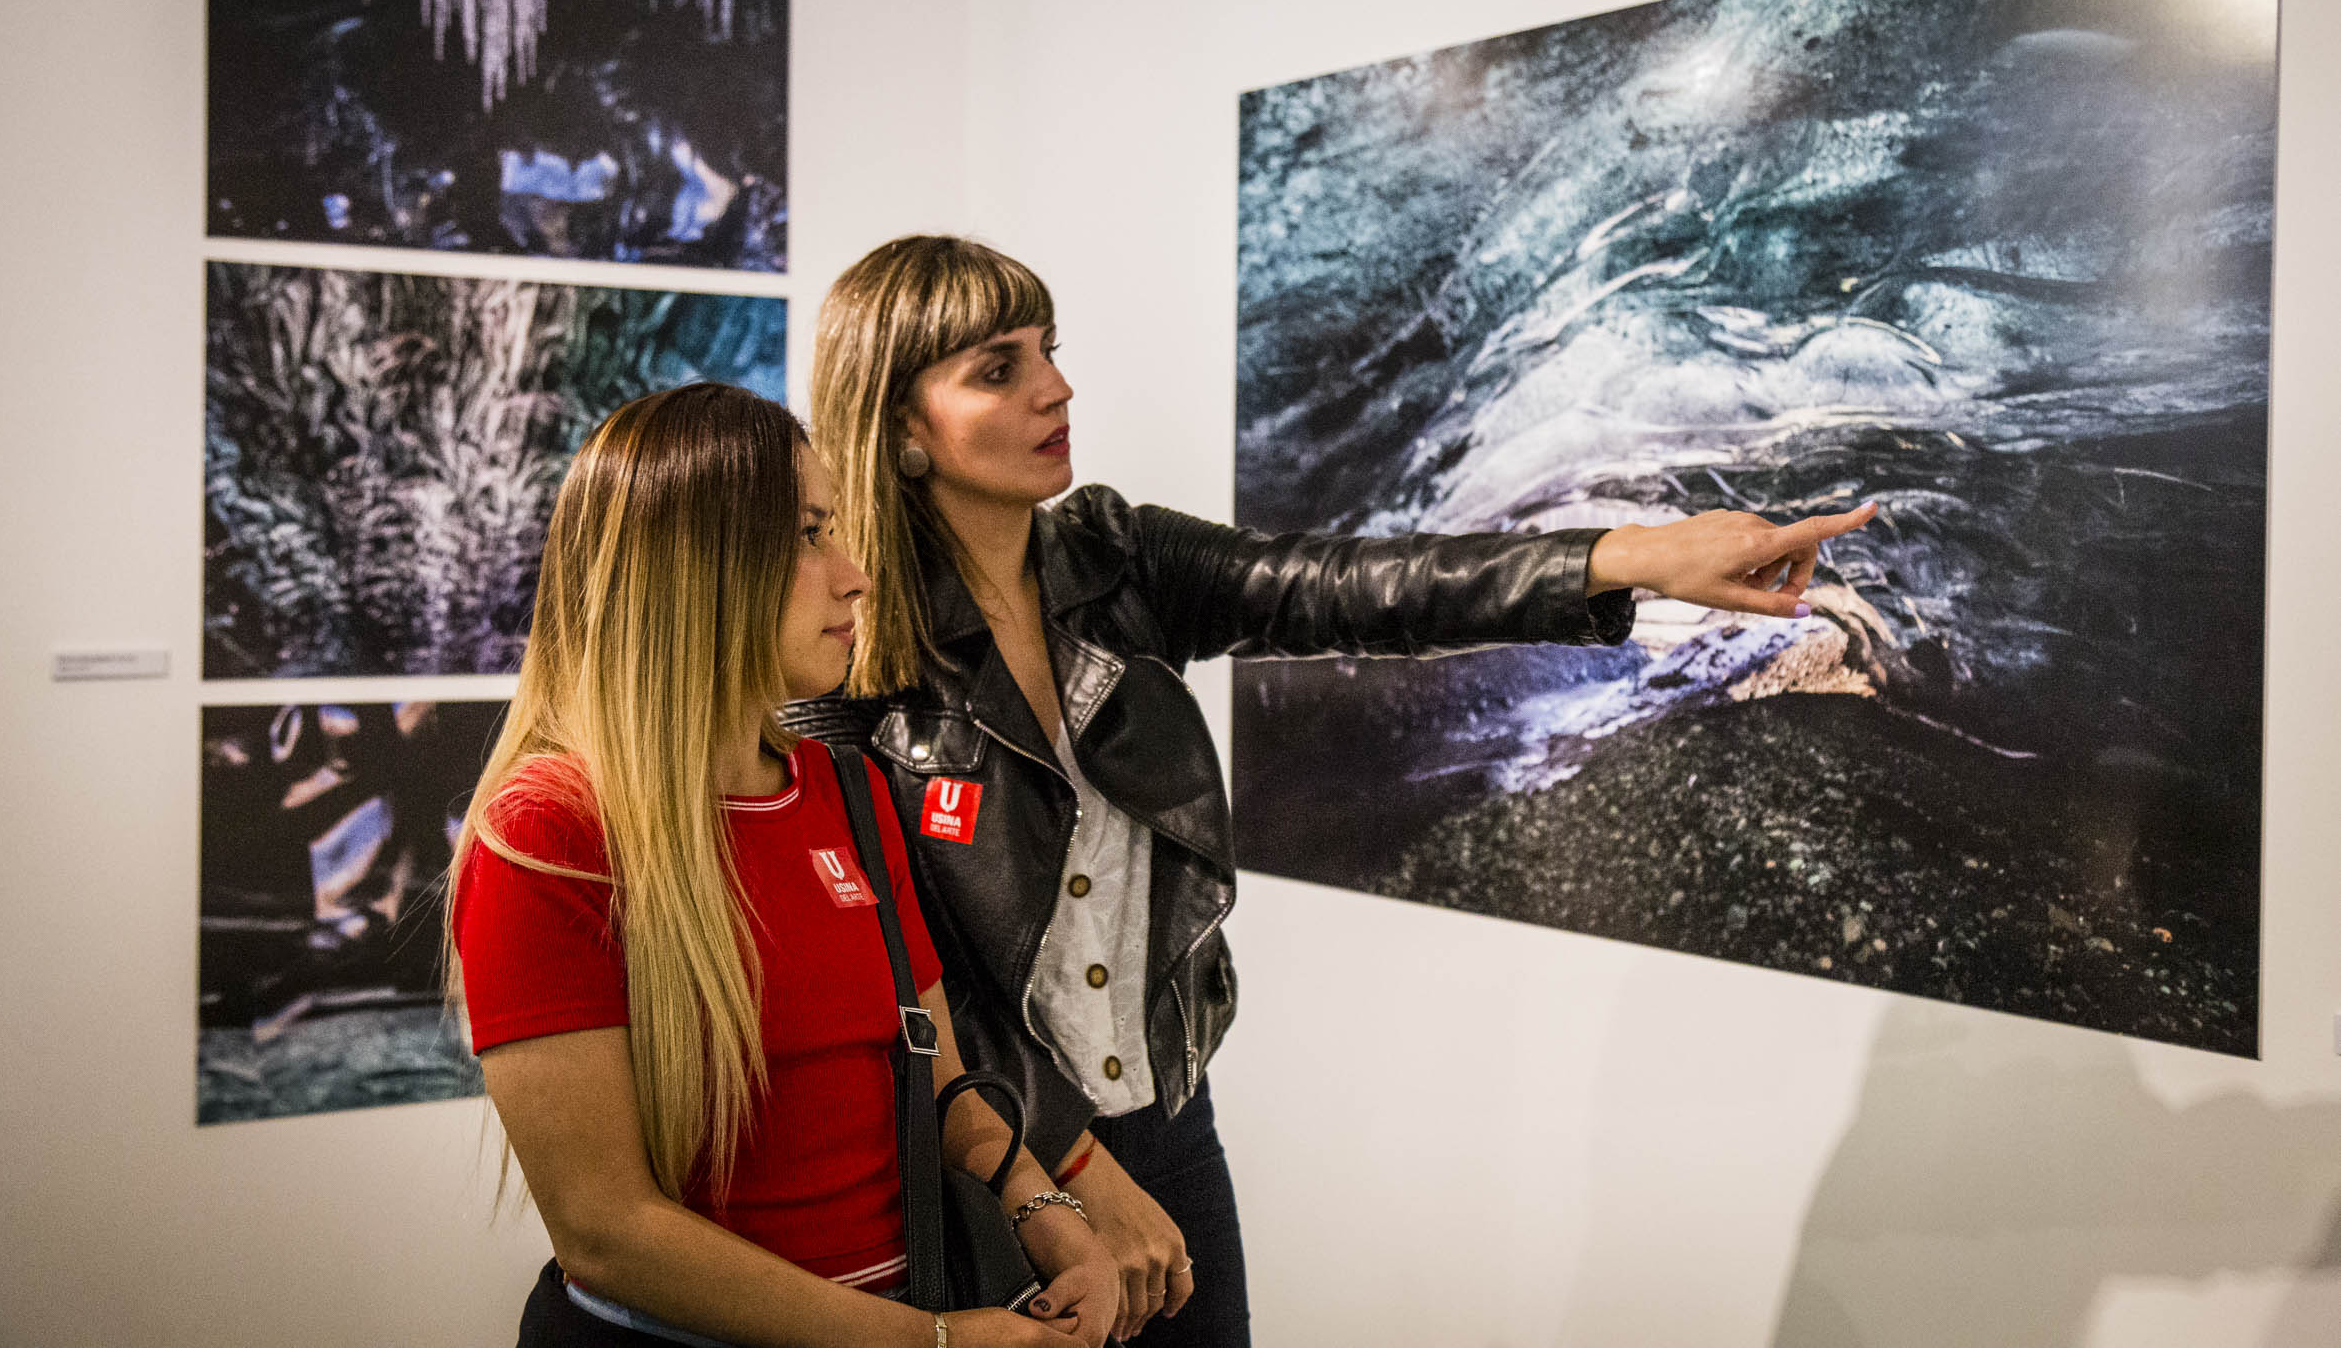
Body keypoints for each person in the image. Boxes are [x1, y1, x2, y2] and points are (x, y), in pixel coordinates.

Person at [787, 235, 1879, 1345]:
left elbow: (1350, 587)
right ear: (902, 426)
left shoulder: (1113, 560)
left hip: (1168, 1124)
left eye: (1048, 351)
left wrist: (1623, 559)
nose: (1055, 387)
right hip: (985, 1160)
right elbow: (886, 971)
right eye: (997, 368)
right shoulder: (843, 657)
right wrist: (1062, 1164)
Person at [446, 383, 1122, 1348]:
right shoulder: (550, 834)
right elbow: (607, 1232)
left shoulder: (844, 790)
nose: (853, 575)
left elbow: (940, 1086)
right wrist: (934, 1343)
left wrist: (1049, 1215)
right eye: (809, 534)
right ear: (692, 567)